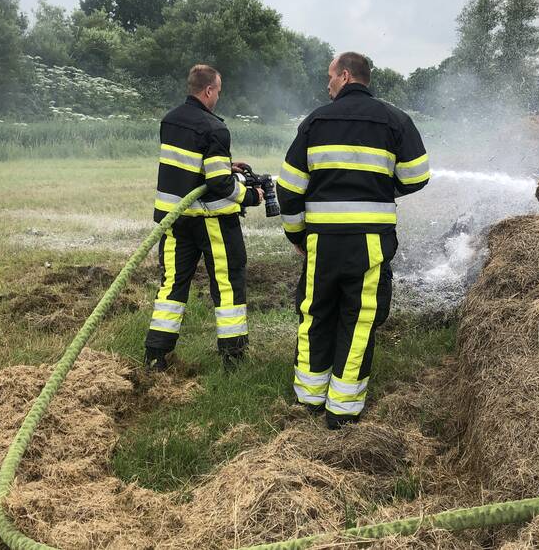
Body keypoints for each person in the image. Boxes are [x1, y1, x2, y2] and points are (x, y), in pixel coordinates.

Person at [276, 51, 430, 429]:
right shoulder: (395, 119)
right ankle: (342, 411)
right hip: (369, 243)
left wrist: (296, 233)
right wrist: (381, 186)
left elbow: (289, 187)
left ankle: (309, 399)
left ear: (345, 76)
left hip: (322, 242)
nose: (327, 84)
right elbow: (416, 175)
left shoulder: (315, 121)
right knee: (359, 319)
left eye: (330, 76)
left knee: (315, 313)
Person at [144, 64, 262, 371]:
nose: (218, 97)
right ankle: (233, 359)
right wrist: (251, 196)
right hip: (213, 221)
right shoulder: (215, 128)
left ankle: (156, 355)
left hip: (175, 220)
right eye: (218, 91)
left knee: (172, 285)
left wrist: (225, 164)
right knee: (228, 283)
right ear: (209, 90)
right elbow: (219, 183)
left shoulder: (170, 120)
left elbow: (189, 164)